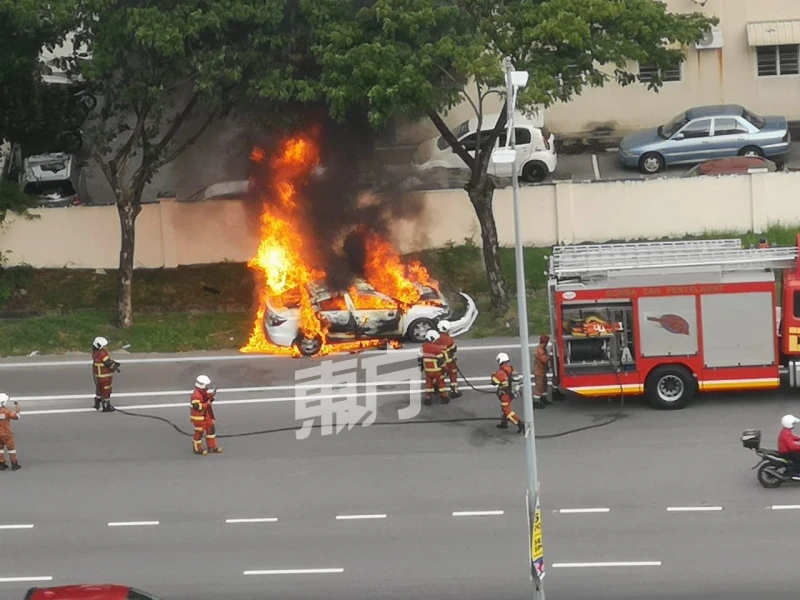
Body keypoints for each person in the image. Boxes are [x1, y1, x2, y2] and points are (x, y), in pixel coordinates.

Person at [490, 353, 525, 434]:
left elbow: (494, 382)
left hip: (505, 395)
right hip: (510, 393)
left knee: (507, 410)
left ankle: (519, 423)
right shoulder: (510, 368)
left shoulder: (501, 372)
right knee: (504, 408)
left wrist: (493, 376)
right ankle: (504, 423)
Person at [190, 375, 222, 455]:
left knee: (211, 429)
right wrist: (207, 404)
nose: (207, 387)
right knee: (199, 433)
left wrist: (211, 395)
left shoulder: (202, 392)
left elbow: (206, 396)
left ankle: (211, 446)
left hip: (205, 415)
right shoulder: (196, 395)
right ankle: (197, 449)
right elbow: (196, 406)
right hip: (198, 417)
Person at [418, 330, 450, 405]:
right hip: (437, 371)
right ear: (432, 338)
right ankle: (444, 397)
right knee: (441, 383)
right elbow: (441, 361)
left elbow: (420, 359)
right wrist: (446, 369)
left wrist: (421, 367)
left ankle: (427, 398)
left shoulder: (423, 347)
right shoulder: (437, 348)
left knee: (428, 384)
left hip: (428, 371)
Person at [92, 336, 121, 412]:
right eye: (104, 345)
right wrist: (115, 366)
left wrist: (113, 362)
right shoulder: (102, 353)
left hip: (98, 375)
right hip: (105, 376)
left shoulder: (95, 353)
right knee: (106, 390)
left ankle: (97, 402)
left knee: (99, 389)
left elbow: (104, 361)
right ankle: (106, 406)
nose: (106, 347)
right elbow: (107, 363)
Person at [436, 320, 462, 398]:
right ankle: (454, 391)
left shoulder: (435, 338)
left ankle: (438, 389)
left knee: (439, 375)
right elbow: (454, 349)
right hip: (449, 361)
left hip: (438, 361)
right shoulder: (450, 339)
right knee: (453, 375)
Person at [0, 394, 21, 471]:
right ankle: (14, 464)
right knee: (11, 449)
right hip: (6, 433)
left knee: (0, 448)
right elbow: (17, 417)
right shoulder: (6, 411)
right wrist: (18, 407)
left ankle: (1, 464)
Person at [533, 335, 553, 408]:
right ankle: (536, 402)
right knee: (539, 387)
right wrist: (550, 356)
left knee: (544, 385)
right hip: (539, 371)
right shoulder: (540, 350)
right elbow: (544, 359)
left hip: (543, 370)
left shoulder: (543, 349)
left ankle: (543, 399)